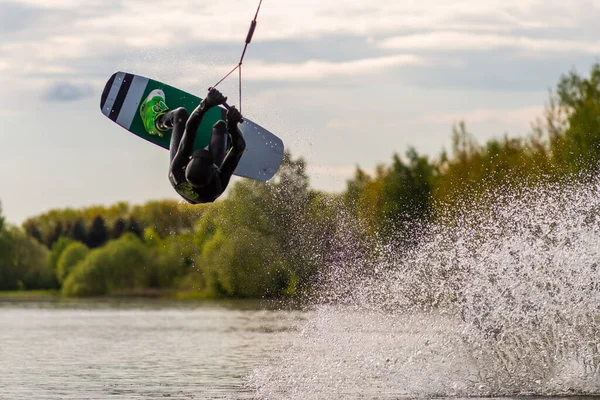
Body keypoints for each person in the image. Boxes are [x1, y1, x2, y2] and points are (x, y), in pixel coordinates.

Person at [139, 88, 246, 204]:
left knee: (180, 115)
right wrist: (233, 127)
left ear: (188, 162)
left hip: (181, 177)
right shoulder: (217, 184)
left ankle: (156, 123)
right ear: (214, 169)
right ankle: (227, 140)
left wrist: (206, 104)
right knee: (221, 126)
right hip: (204, 183)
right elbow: (239, 148)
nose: (199, 150)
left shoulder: (177, 169)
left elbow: (190, 128)